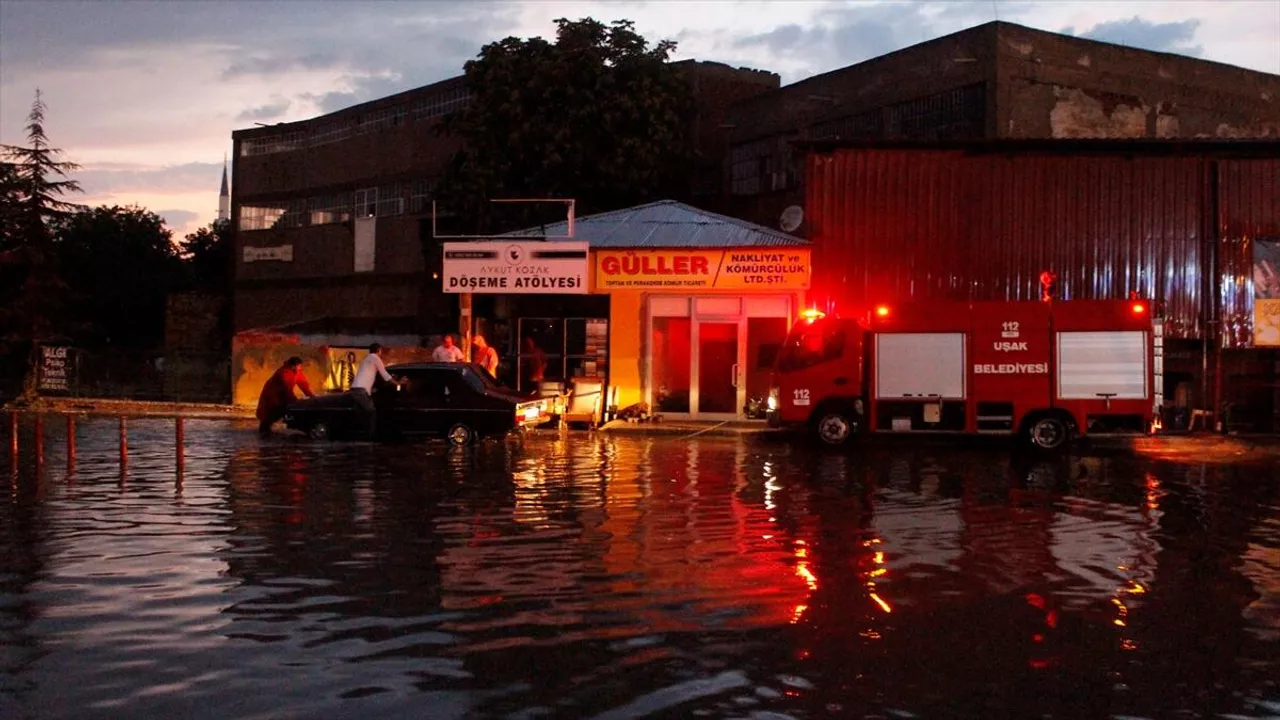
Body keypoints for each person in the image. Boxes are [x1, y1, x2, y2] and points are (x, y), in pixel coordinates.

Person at [350, 343, 403, 439]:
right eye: (381, 351)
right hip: (361, 391)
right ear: (379, 350)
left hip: (355, 390)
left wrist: (372, 388)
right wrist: (398, 383)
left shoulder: (366, 360)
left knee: (361, 414)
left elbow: (367, 375)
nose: (381, 353)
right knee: (372, 412)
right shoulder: (375, 358)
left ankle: (358, 435)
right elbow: (385, 375)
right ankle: (370, 437)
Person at [256, 356, 314, 436]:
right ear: (293, 366)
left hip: (282, 396)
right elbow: (287, 389)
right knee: (270, 414)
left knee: (281, 412)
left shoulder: (297, 372)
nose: (300, 368)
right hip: (273, 396)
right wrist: (294, 400)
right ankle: (264, 432)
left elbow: (304, 385)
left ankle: (269, 430)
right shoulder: (284, 372)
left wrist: (312, 397)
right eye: (299, 366)